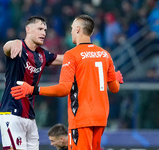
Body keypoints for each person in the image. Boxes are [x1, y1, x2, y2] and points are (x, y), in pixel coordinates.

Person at [11, 15, 123, 150]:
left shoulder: (72, 55)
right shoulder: (105, 54)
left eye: (71, 28)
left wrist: (33, 89)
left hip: (82, 118)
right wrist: (116, 79)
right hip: (101, 117)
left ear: (77, 29)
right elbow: (114, 88)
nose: (70, 32)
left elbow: (64, 89)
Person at [0, 16, 63, 150]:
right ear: (28, 29)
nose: (43, 33)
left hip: (30, 116)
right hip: (12, 113)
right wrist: (15, 42)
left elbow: (65, 59)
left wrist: (84, 54)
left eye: (45, 30)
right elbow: (6, 48)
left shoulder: (43, 55)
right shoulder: (18, 47)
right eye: (40, 29)